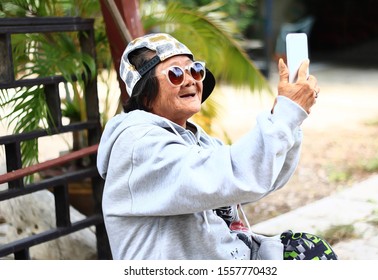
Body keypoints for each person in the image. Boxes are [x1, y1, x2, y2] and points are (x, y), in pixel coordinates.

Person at [97, 33, 337, 260]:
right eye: (175, 74)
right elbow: (235, 175)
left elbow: (260, 178)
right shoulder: (139, 146)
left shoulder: (194, 139)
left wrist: (285, 117)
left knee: (310, 250)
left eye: (195, 69)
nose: (190, 79)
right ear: (146, 95)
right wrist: (286, 115)